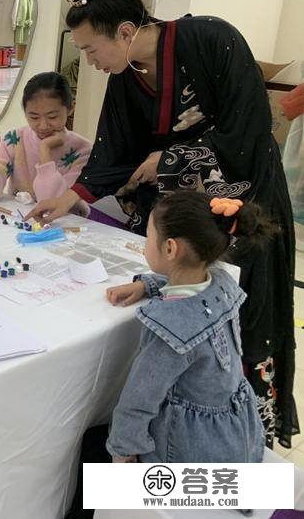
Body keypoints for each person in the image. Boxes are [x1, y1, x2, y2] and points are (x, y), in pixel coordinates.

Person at [26, 0, 297, 448]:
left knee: (235, 307)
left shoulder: (212, 40)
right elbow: (115, 151)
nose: (88, 60)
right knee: (175, 298)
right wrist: (69, 198)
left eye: (91, 48)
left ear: (125, 31)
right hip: (176, 212)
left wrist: (171, 156)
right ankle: (163, 424)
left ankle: (232, 425)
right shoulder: (127, 79)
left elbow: (249, 126)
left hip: (240, 196)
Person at [104, 191, 270, 463]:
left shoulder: (169, 329)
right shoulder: (222, 281)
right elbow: (188, 283)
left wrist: (122, 452)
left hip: (188, 450)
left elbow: (136, 404)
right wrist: (146, 284)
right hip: (238, 434)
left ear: (170, 248)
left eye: (148, 238)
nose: (146, 245)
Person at [0, 72, 91, 202]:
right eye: (34, 117)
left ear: (71, 108)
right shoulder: (15, 139)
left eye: (52, 117)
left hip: (64, 221)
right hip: (20, 219)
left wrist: (44, 151)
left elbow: (53, 204)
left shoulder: (83, 151)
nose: (43, 126)